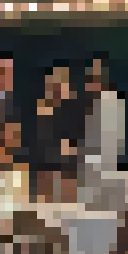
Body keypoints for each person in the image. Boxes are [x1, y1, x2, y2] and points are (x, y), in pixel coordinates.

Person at [32, 65, 85, 203]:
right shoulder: (42, 110)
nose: (58, 86)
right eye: (54, 82)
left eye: (62, 82)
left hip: (68, 166)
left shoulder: (75, 109)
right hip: (46, 167)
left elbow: (77, 140)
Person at [81, 55, 126, 208]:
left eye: (96, 76)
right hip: (89, 166)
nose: (92, 82)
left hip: (105, 166)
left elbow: (112, 142)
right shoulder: (87, 103)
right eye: (90, 78)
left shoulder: (112, 103)